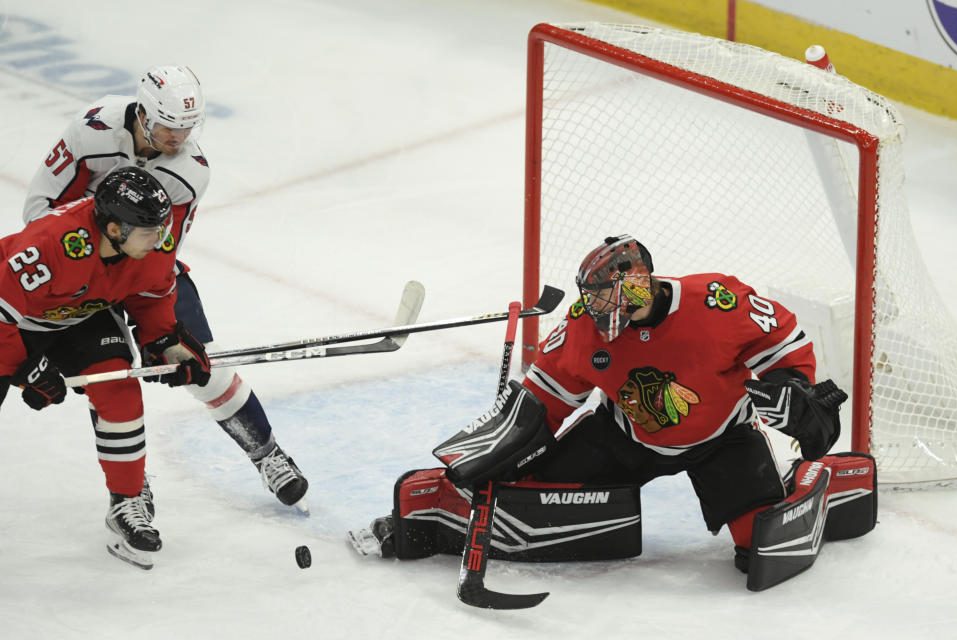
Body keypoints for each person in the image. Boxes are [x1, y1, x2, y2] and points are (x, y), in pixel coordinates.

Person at [349, 235, 877, 591]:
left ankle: (814, 481)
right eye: (591, 299)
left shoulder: (718, 301)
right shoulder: (583, 325)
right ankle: (437, 511)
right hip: (625, 436)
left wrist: (795, 391)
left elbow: (788, 349)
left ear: (637, 282)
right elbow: (543, 402)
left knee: (758, 549)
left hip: (724, 437)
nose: (593, 310)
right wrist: (498, 450)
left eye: (604, 299)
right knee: (528, 494)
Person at [22, 65, 308, 510]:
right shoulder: (90, 130)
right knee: (110, 379)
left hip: (143, 270)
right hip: (81, 270)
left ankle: (267, 454)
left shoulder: (190, 171)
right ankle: (131, 482)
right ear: (141, 113)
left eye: (188, 129)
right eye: (168, 128)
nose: (179, 139)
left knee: (201, 364)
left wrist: (161, 333)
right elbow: (39, 210)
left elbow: (162, 248)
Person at [1, 167, 212, 569]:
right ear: (114, 229)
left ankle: (126, 502)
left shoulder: (151, 247)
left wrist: (166, 344)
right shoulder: (52, 244)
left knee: (119, 396)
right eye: (150, 231)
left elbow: (151, 299)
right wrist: (25, 368)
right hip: (12, 322)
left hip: (81, 316)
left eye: (163, 228)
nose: (162, 240)